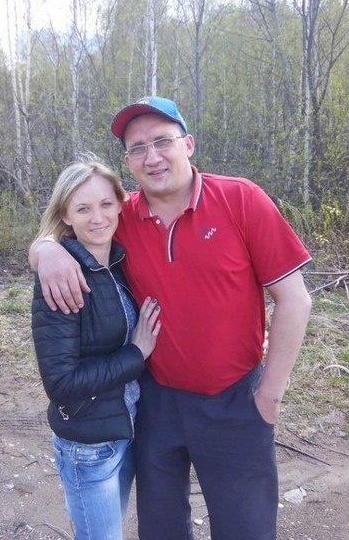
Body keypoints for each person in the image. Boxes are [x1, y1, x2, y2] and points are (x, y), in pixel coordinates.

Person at [29, 97, 312, 540]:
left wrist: (270, 395)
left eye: (162, 141)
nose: (152, 157)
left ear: (189, 144)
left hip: (234, 400)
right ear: (128, 162)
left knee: (246, 529)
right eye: (138, 148)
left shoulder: (240, 199)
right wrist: (45, 251)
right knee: (161, 529)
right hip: (156, 402)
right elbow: (65, 228)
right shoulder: (121, 215)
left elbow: (295, 300)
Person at [31, 157, 161, 540]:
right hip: (89, 446)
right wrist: (136, 354)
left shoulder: (117, 261)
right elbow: (61, 384)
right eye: (83, 208)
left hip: (124, 428)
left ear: (121, 204)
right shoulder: (61, 277)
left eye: (106, 204)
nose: (98, 217)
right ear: (66, 215)